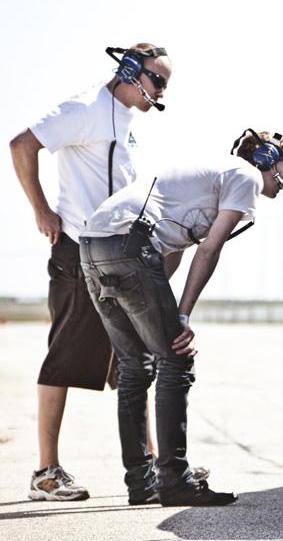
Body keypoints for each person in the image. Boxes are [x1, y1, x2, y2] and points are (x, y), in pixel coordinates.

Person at [78, 129, 283, 506]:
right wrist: (180, 316)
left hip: (93, 246)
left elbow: (174, 249)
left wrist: (157, 306)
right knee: (177, 359)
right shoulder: (247, 177)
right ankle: (174, 481)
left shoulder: (212, 174)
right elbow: (209, 250)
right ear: (266, 158)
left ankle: (142, 482)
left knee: (135, 367)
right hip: (129, 247)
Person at [9, 43, 172, 501]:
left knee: (134, 361)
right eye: (159, 80)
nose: (162, 91)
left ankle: (156, 466)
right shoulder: (85, 108)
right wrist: (42, 210)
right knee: (64, 356)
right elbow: (22, 144)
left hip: (119, 257)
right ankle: (45, 472)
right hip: (78, 253)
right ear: (131, 70)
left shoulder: (127, 121)